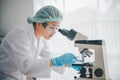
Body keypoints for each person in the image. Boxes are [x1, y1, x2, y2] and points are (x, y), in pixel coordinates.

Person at [0, 5, 81, 80]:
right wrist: (56, 61)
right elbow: (26, 67)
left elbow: (49, 58)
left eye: (57, 28)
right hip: (5, 77)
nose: (54, 32)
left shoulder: (41, 38)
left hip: (19, 77)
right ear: (39, 24)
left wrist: (67, 63)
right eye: (52, 27)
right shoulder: (20, 34)